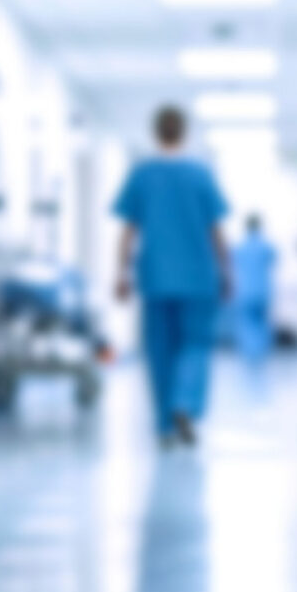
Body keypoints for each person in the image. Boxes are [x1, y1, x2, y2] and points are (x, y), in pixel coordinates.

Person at [113, 105, 230, 448]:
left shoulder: (142, 175)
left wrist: (121, 273)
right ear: (184, 132)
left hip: (156, 277)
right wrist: (226, 270)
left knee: (159, 351)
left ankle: (164, 426)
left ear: (155, 132)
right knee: (195, 345)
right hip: (198, 277)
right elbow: (216, 231)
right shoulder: (201, 175)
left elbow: (129, 231)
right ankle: (185, 402)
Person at [231, 215, 278, 366]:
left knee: (246, 323)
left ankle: (249, 352)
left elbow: (232, 263)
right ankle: (261, 352)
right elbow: (272, 261)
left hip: (245, 290)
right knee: (262, 322)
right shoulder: (266, 247)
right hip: (262, 290)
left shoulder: (239, 247)